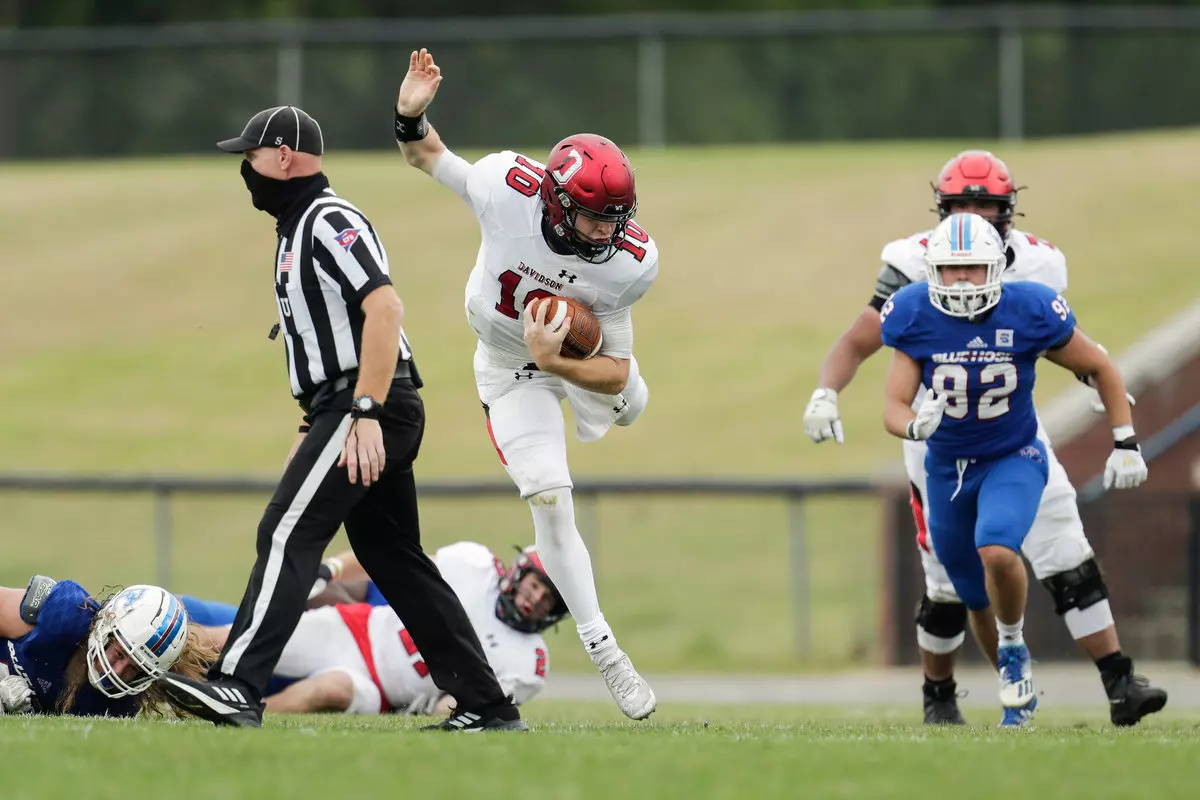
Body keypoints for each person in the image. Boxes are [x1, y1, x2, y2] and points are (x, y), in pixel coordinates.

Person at [156, 105, 523, 733]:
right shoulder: (296, 228)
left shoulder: (327, 219)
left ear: (282, 156)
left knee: (286, 531)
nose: (245, 170)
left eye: (249, 156)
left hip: (368, 403)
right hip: (353, 405)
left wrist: (363, 412)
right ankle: (489, 706)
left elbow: (385, 309)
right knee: (397, 561)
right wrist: (318, 424)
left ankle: (239, 687)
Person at [802, 150, 1166, 727]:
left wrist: (1104, 390)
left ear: (1009, 210)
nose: (972, 214)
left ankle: (1119, 680)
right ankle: (940, 697)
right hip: (936, 439)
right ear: (941, 211)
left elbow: (1064, 341)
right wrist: (828, 391)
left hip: (1012, 432)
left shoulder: (1039, 269)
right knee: (948, 580)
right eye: (961, 204)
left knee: (1065, 547)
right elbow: (863, 338)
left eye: (985, 204)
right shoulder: (915, 266)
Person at [392, 49, 657, 719]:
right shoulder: (505, 187)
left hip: (571, 357)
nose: (607, 232)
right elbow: (428, 156)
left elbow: (616, 369)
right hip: (510, 369)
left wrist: (563, 359)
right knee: (549, 499)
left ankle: (595, 393)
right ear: (556, 200)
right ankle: (607, 653)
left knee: (629, 403)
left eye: (614, 219)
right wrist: (409, 112)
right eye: (595, 218)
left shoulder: (629, 263)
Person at [879, 211, 1149, 726]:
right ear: (931, 271)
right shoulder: (914, 312)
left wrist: (1126, 441)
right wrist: (915, 426)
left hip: (1013, 454)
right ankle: (1011, 670)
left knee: (999, 549)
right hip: (947, 468)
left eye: (974, 269)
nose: (960, 280)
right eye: (950, 270)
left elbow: (1098, 365)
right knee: (968, 590)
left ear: (997, 268)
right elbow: (893, 404)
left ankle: (1011, 649)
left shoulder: (1029, 308)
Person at [188, 542, 566, 716]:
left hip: (382, 693)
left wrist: (439, 710)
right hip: (357, 631)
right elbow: (392, 558)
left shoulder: (529, 662)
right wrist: (331, 569)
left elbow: (466, 706)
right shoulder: (475, 564)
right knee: (225, 640)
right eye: (536, 585)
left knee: (329, 690)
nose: (535, 599)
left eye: (548, 599)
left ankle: (227, 718)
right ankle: (145, 647)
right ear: (521, 571)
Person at [0, 578, 210, 717]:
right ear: (106, 629)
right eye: (120, 653)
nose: (117, 671)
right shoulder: (63, 616)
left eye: (134, 668)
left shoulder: (118, 706)